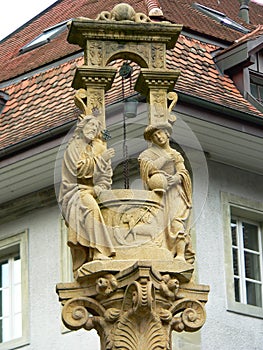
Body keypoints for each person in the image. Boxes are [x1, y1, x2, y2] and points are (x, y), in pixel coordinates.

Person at [59, 115, 116, 273]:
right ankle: (98, 252)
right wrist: (101, 159)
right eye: (90, 125)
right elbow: (78, 169)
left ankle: (94, 252)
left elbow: (106, 177)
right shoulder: (74, 147)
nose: (92, 129)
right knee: (91, 209)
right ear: (82, 127)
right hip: (73, 192)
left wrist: (98, 188)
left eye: (95, 128)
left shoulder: (97, 148)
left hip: (91, 192)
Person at [138, 123, 194, 262]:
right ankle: (163, 252)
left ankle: (180, 254)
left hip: (175, 192)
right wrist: (164, 159)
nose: (158, 137)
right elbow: (149, 169)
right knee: (159, 224)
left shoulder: (176, 154)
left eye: (160, 133)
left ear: (167, 134)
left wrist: (175, 178)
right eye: (154, 136)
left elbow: (183, 172)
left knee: (176, 221)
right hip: (159, 194)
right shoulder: (147, 154)